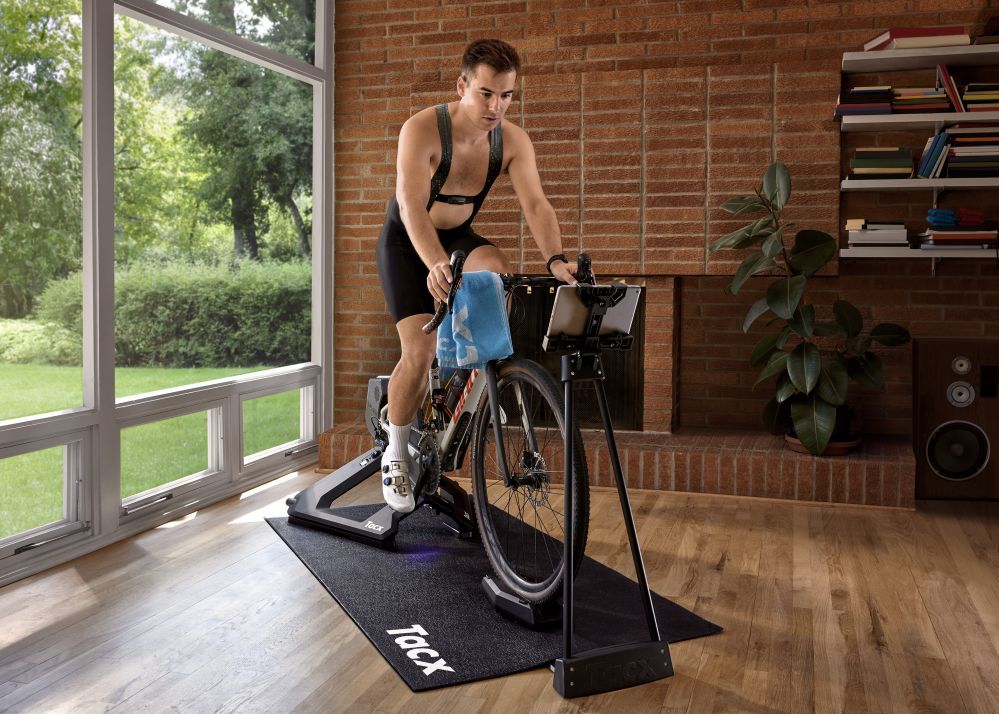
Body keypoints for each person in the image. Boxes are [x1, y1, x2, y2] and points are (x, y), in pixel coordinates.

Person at [375, 38, 578, 512]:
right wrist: (434, 262)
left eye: (506, 96)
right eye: (486, 93)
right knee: (419, 351)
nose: (496, 107)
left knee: (497, 275)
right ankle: (396, 450)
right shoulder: (422, 129)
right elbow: (410, 205)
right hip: (408, 242)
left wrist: (555, 259)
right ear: (461, 86)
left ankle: (473, 381)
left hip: (459, 240)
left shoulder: (512, 141)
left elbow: (536, 204)